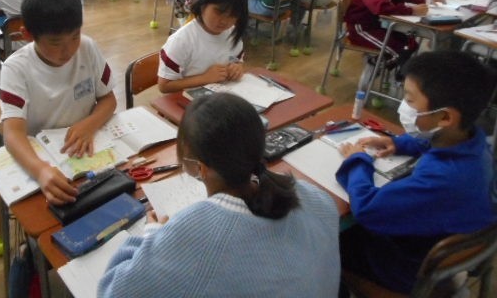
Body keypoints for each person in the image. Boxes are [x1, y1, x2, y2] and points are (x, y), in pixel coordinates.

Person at [98, 93, 340, 297]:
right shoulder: (311, 195)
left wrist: (151, 236)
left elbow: (113, 292)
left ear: (201, 169)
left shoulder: (197, 234)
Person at [337, 51, 497, 295]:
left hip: (405, 267)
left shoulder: (443, 178)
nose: (404, 106)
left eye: (410, 100)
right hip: (434, 242)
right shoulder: (476, 142)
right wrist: (398, 143)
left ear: (445, 116)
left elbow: (367, 208)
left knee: (331, 234)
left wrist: (357, 160)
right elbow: (438, 142)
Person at [0, 0, 116, 204]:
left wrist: (90, 124)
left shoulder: (87, 48)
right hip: (41, 157)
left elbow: (108, 99)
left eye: (75, 36)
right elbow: (12, 133)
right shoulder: (16, 69)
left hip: (85, 151)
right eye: (55, 43)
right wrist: (40, 170)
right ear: (27, 34)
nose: (68, 50)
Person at [157, 0, 248, 93]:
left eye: (233, 15)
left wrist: (237, 67)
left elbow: (236, 60)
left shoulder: (232, 34)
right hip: (189, 101)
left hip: (222, 95)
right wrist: (204, 78)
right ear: (203, 2)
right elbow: (164, 86)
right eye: (219, 11)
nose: (224, 21)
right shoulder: (181, 40)